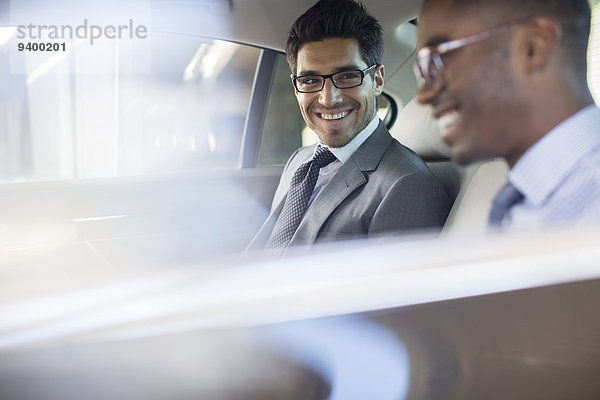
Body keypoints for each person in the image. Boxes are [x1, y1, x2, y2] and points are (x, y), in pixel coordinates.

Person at [246, 0, 452, 257]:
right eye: (310, 80)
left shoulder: (407, 184)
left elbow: (387, 295)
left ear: (377, 81)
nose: (328, 99)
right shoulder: (299, 160)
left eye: (347, 76)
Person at [414, 0, 600, 231]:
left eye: (438, 60)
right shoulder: (528, 194)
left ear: (533, 46)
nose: (423, 95)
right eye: (423, 71)